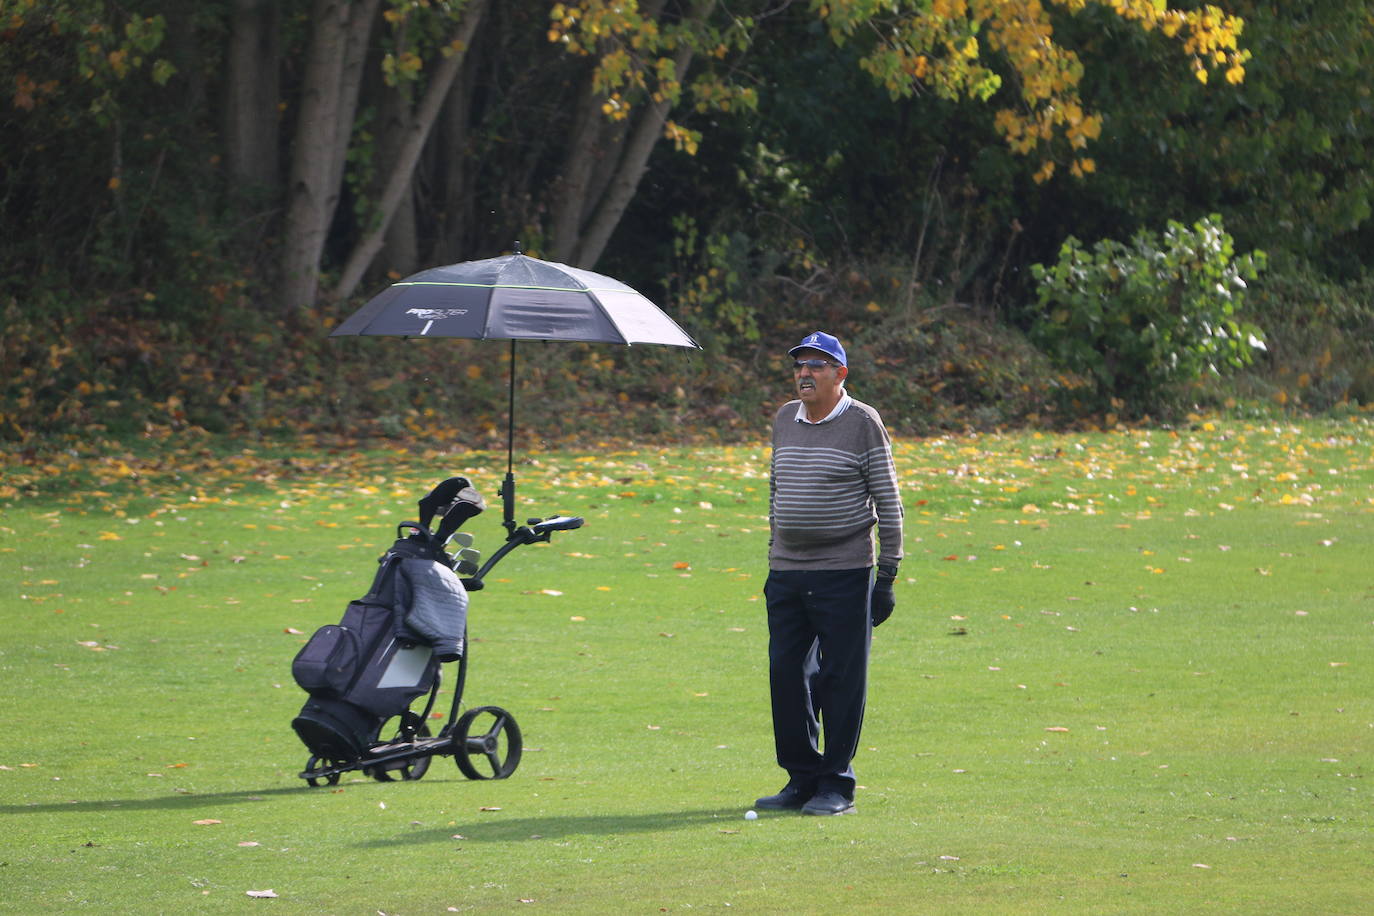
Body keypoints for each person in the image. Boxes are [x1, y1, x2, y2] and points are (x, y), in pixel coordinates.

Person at [755, 331, 904, 816]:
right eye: (800, 365)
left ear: (841, 374)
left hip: (845, 572)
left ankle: (836, 784)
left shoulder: (863, 423)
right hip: (787, 572)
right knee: (786, 676)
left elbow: (888, 499)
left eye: (818, 366)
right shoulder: (784, 418)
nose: (805, 374)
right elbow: (777, 490)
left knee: (842, 678)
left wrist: (887, 576)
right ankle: (801, 778)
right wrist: (774, 555)